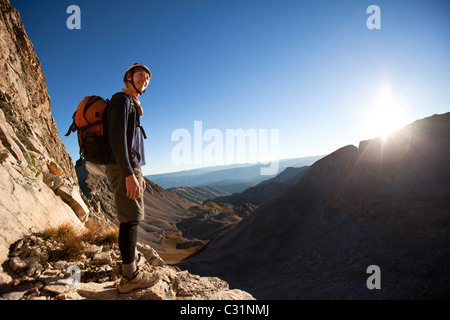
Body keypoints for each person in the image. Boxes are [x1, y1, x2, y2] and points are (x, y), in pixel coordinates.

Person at [105, 63, 154, 293]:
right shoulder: (121, 101)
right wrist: (128, 174)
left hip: (131, 167)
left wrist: (138, 173)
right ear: (128, 78)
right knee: (130, 218)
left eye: (147, 78)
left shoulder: (132, 105)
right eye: (140, 75)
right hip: (122, 167)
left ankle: (129, 261)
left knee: (132, 216)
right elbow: (117, 139)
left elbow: (130, 141)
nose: (144, 79)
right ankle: (130, 276)